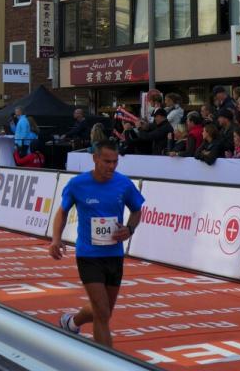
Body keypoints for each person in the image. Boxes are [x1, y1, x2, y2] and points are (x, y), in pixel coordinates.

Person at [49, 140, 144, 347]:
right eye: (107, 161)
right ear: (95, 159)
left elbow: (137, 210)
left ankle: (72, 322)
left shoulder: (123, 184)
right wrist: (56, 238)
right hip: (88, 255)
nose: (111, 166)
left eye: (115, 162)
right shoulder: (77, 184)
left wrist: (129, 229)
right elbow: (62, 212)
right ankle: (106, 359)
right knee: (102, 313)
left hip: (114, 255)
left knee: (104, 311)